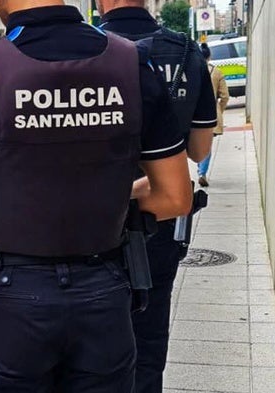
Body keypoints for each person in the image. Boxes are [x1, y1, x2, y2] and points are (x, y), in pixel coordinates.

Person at [0, 1, 192, 392]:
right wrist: (106, 200)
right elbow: (176, 196)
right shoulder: (132, 64)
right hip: (105, 292)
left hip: (10, 304)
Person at [98, 1, 217, 393]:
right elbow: (199, 150)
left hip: (92, 222)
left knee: (91, 348)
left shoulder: (87, 49)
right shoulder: (184, 51)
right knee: (147, 345)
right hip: (161, 220)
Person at [197, 42, 230, 187]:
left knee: (193, 143)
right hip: (211, 113)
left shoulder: (191, 70)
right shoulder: (217, 72)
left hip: (193, 113)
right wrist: (219, 110)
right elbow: (225, 96)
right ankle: (202, 172)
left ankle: (198, 169)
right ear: (209, 56)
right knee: (206, 144)